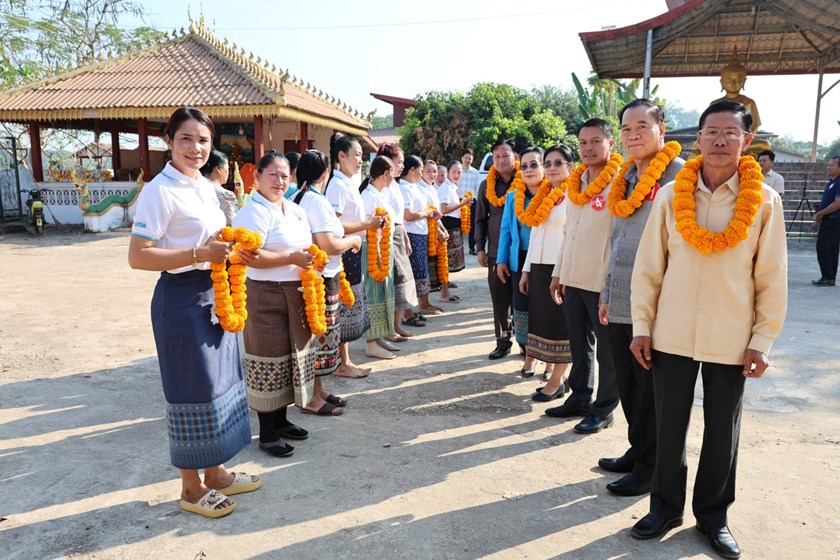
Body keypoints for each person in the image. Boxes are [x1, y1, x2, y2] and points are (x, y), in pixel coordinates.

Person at [629, 101, 787, 560]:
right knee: (668, 422)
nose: (720, 141)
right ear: (698, 139)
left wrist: (762, 340)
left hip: (731, 337)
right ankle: (664, 508)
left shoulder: (764, 201)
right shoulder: (669, 195)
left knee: (723, 429)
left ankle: (714, 516)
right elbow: (649, 268)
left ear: (746, 141)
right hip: (672, 331)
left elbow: (771, 277)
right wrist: (642, 326)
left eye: (730, 133)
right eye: (711, 132)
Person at [128, 107, 260, 519]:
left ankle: (215, 472)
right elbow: (138, 256)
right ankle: (190, 486)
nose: (195, 148)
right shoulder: (158, 190)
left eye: (203, 140)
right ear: (169, 141)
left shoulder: (205, 186)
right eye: (186, 138)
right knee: (191, 390)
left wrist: (235, 252)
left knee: (219, 385)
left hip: (215, 294)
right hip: (181, 299)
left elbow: (213, 240)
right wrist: (198, 254)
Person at [597, 99, 685, 498]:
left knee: (650, 389)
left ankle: (651, 467)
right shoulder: (624, 178)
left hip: (655, 303)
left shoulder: (679, 177)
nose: (633, 135)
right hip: (619, 295)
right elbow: (615, 241)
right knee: (629, 385)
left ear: (661, 130)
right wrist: (605, 290)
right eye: (627, 128)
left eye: (642, 127)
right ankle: (638, 450)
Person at [232, 151, 326, 459]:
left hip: (297, 290)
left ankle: (283, 420)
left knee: (289, 358)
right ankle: (267, 433)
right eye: (273, 174)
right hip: (265, 294)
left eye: (285, 175)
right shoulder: (253, 211)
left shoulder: (295, 209)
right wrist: (291, 258)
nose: (279, 181)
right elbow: (252, 256)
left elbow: (306, 246)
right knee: (267, 360)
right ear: (257, 177)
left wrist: (313, 260)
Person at [546, 118, 622, 435]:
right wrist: (558, 272)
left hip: (600, 281)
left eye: (595, 141)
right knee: (579, 344)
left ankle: (603, 409)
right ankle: (579, 397)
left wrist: (610, 284)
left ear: (610, 144)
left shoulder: (619, 181)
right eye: (583, 142)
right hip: (573, 277)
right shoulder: (575, 183)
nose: (588, 148)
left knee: (607, 351)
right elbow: (569, 233)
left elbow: (618, 238)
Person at [293, 150, 362, 413]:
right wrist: (354, 241)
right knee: (319, 337)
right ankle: (312, 398)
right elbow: (329, 244)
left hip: (317, 275)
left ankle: (319, 390)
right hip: (322, 277)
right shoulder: (317, 202)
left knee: (319, 335)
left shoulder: (299, 196)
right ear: (325, 173)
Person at [325, 134, 384, 376]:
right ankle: (343, 362)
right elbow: (335, 226)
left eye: (361, 155)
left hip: (354, 247)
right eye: (357, 154)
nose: (361, 160)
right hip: (345, 251)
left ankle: (345, 360)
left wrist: (366, 225)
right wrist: (366, 224)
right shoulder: (337, 185)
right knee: (345, 306)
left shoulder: (349, 182)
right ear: (341, 156)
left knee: (351, 304)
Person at [520, 144, 574, 399]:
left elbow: (572, 237)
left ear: (570, 167)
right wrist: (526, 270)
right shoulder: (543, 195)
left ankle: (557, 381)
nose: (552, 168)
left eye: (558, 163)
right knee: (545, 325)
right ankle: (557, 377)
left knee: (561, 326)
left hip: (560, 269)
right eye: (549, 163)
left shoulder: (575, 195)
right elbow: (535, 235)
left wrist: (562, 271)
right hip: (540, 268)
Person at [497, 147, 543, 376]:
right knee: (522, 308)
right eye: (524, 166)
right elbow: (506, 229)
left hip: (545, 261)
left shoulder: (554, 193)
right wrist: (501, 260)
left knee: (546, 310)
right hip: (519, 258)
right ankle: (529, 356)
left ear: (544, 167)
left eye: (534, 164)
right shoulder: (514, 196)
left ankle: (553, 362)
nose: (528, 170)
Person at [475, 138, 517, 360]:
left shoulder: (526, 181)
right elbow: (480, 219)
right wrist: (480, 248)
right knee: (500, 300)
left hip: (521, 251)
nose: (500, 160)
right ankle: (502, 342)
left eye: (505, 155)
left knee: (521, 300)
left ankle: (527, 344)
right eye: (497, 156)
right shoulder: (486, 185)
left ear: (515, 157)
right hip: (495, 251)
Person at [377, 143, 419, 344]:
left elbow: (398, 216)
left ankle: (396, 324)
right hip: (387, 236)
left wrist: (405, 236)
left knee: (401, 280)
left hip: (398, 233)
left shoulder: (395, 184)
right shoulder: (383, 186)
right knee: (394, 281)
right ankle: (388, 328)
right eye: (399, 161)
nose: (402, 166)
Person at [359, 156, 399, 359]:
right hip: (373, 249)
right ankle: (371, 343)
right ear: (385, 173)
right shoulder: (368, 196)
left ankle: (380, 335)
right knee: (373, 293)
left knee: (385, 292)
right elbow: (368, 225)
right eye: (393, 171)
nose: (394, 175)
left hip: (385, 249)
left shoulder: (382, 193)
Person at [400, 156, 442, 325]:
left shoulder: (414, 187)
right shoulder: (405, 188)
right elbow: (408, 215)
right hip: (411, 233)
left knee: (421, 271)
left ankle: (417, 307)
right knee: (412, 274)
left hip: (421, 233)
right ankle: (407, 312)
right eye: (421, 169)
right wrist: (426, 214)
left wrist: (430, 213)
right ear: (412, 170)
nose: (422, 173)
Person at [438, 160, 473, 301]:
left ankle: (445, 290)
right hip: (448, 226)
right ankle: (444, 293)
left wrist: (464, 205)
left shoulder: (452, 187)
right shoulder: (445, 188)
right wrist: (462, 203)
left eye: (459, 172)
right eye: (454, 172)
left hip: (454, 226)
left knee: (448, 261)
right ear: (448, 173)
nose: (457, 174)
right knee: (444, 260)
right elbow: (444, 210)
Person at [811, 155, 840, 286]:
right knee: (831, 248)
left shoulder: (839, 182)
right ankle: (830, 277)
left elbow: (838, 203)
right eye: (828, 165)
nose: (828, 167)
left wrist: (821, 213)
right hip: (829, 219)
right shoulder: (831, 182)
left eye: (832, 165)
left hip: (834, 219)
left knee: (824, 247)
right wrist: (818, 220)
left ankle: (827, 276)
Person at [200, 149, 237, 226]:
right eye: (228, 169)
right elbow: (231, 224)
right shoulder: (225, 194)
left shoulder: (192, 187)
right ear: (218, 169)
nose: (228, 172)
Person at [459, 148, 482, 255]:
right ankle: (457, 248)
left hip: (472, 201)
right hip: (458, 201)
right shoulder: (457, 170)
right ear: (461, 158)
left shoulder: (475, 172)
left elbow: (478, 188)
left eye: (470, 158)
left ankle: (472, 248)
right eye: (466, 158)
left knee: (473, 225)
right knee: (458, 225)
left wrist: (477, 203)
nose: (467, 160)